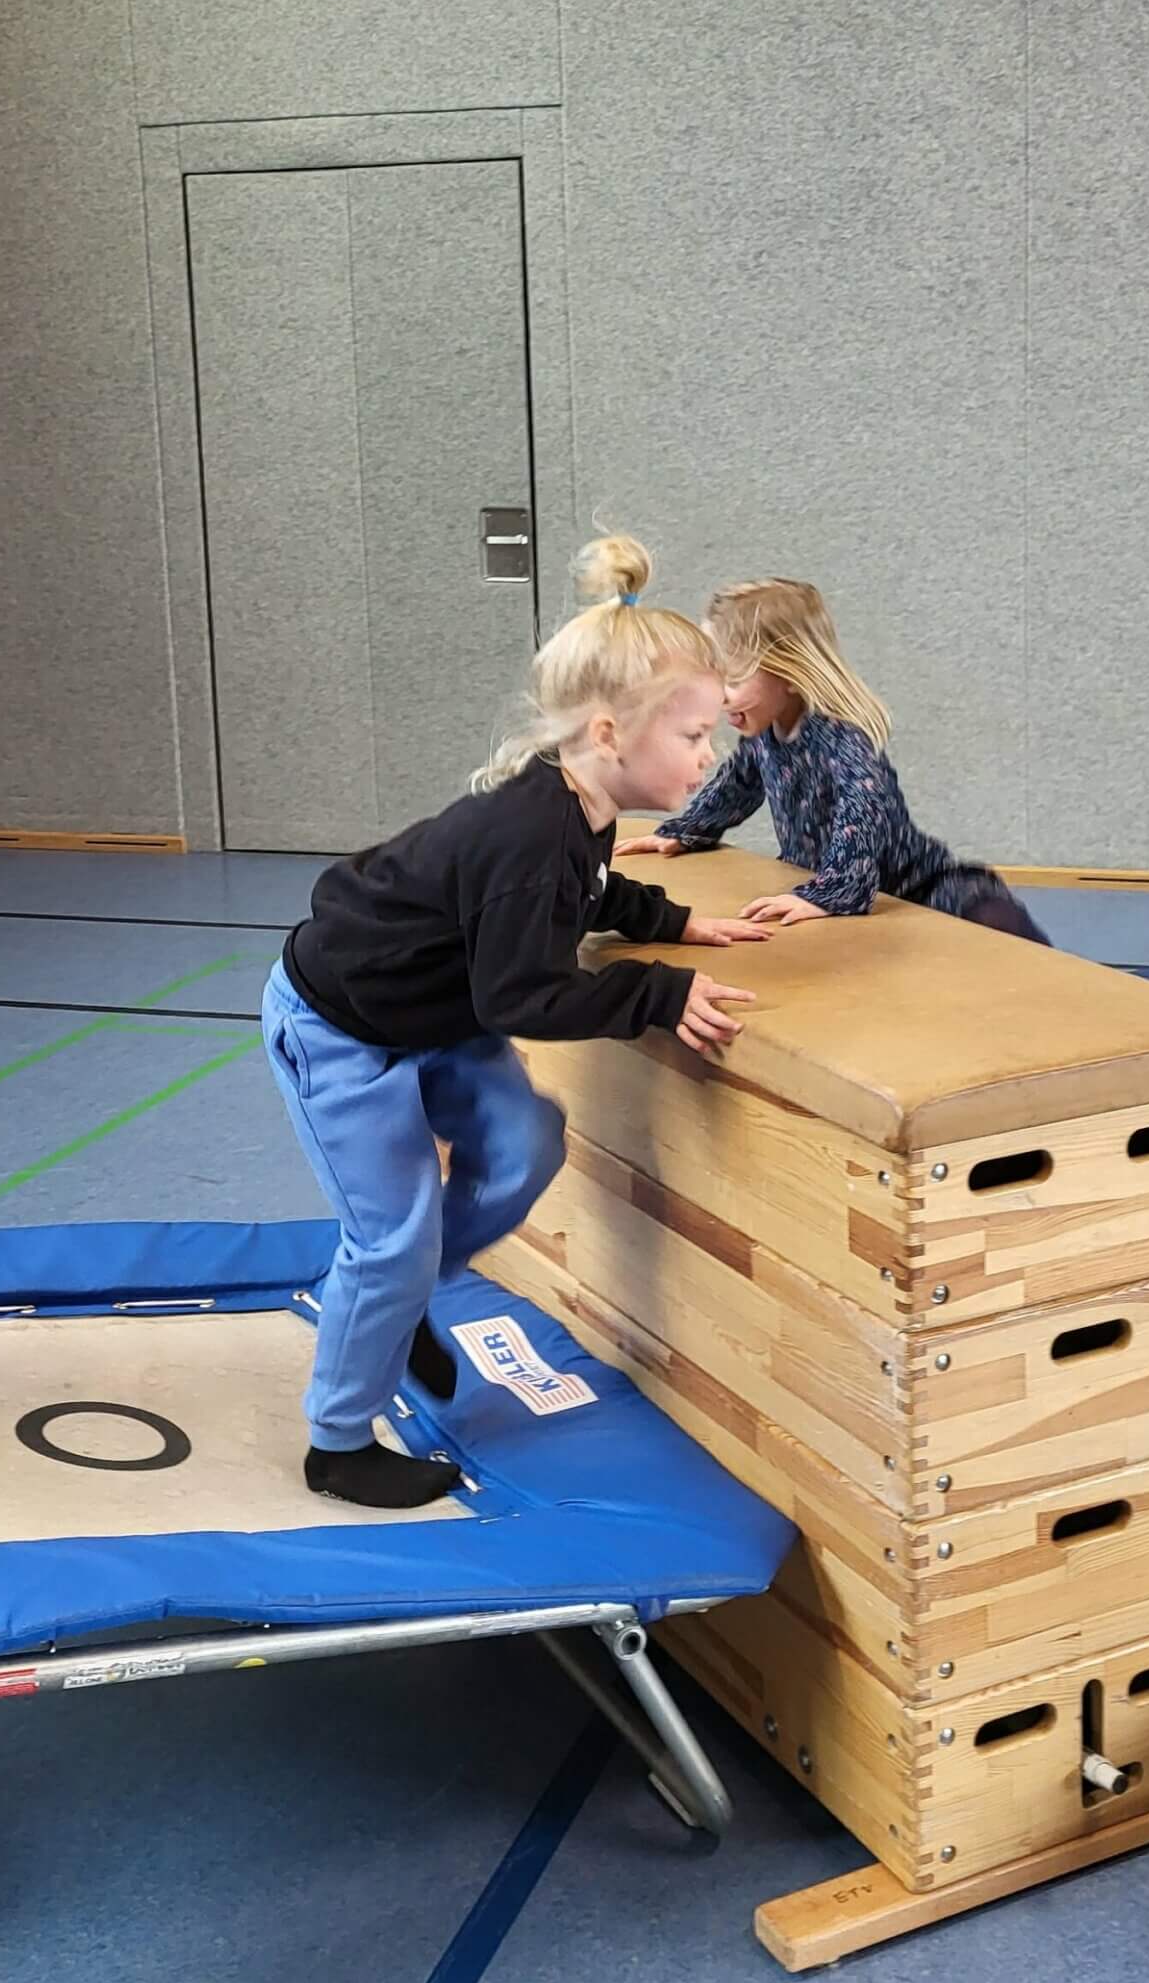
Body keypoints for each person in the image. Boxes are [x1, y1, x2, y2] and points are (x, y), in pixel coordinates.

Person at [263, 533, 769, 1511]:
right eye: (693, 735)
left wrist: (672, 922)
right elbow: (523, 999)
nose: (709, 755)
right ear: (612, 735)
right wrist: (660, 992)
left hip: (438, 1009)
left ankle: (404, 1299)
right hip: (342, 1028)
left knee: (527, 1143)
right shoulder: (529, 836)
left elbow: (591, 889)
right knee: (393, 1233)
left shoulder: (581, 804)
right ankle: (338, 1440)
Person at [617, 577, 1049, 941]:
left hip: (916, 887)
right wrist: (688, 831)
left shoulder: (840, 736)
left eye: (732, 679)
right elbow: (737, 786)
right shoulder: (763, 735)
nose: (719, 696)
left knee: (994, 918)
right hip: (830, 881)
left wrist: (832, 891)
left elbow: (865, 806)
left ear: (789, 673)